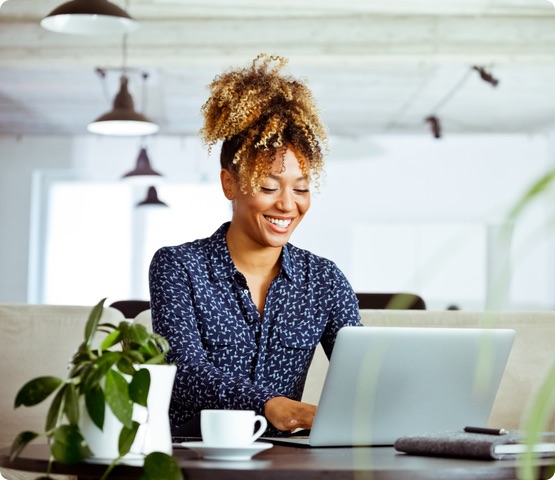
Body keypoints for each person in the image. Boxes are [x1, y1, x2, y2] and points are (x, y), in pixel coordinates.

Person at [149, 54, 361, 438]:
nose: (287, 204)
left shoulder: (325, 281)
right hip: (193, 454)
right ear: (229, 184)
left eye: (301, 188)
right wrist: (268, 403)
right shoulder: (179, 266)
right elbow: (181, 372)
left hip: (284, 460)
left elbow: (362, 377)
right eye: (268, 187)